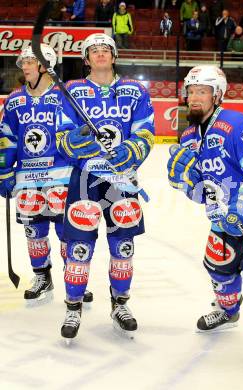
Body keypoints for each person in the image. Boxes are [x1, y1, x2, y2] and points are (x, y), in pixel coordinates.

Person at [166, 65, 243, 366]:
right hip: (223, 217)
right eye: (191, 91)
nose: (194, 98)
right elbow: (198, 190)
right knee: (219, 269)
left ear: (217, 95)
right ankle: (228, 311)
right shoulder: (188, 135)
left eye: (202, 92)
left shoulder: (239, 124)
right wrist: (181, 177)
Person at [56, 33, 155, 340]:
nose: (99, 54)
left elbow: (146, 133)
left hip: (121, 181)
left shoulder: (135, 91)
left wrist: (132, 151)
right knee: (79, 246)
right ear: (86, 59)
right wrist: (72, 142)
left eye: (105, 50)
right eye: (93, 51)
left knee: (122, 246)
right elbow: (62, 137)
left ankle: (120, 304)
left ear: (113, 56)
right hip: (85, 179)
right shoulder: (72, 91)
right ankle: (74, 306)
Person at [0, 45, 92, 305]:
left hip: (62, 174)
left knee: (67, 231)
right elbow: (6, 138)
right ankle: (42, 276)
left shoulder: (66, 96)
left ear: (44, 65)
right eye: (24, 62)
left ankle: (75, 278)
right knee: (34, 232)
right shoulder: (15, 100)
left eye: (29, 62)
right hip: (27, 177)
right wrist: (4, 171)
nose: (24, 67)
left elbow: (78, 135)